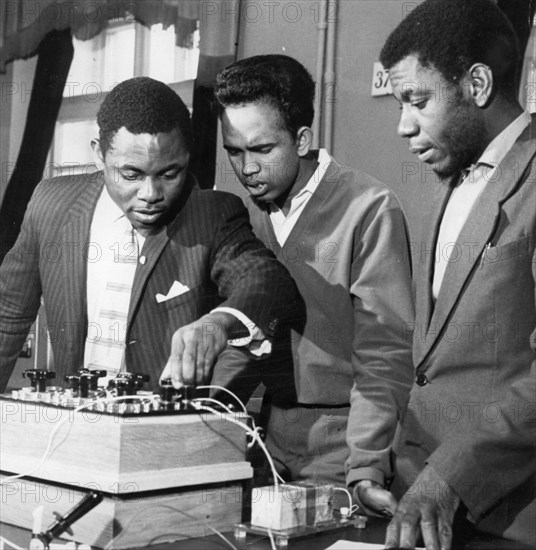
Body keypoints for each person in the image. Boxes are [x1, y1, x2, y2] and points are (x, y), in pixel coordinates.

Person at [0, 76, 301, 394]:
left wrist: (220, 322)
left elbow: (266, 279)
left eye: (170, 173)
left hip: (162, 433)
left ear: (186, 156)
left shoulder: (211, 214)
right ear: (99, 154)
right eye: (131, 174)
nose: (151, 194)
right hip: (71, 428)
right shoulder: (52, 203)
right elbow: (8, 313)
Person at [215, 55, 414, 494]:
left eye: (262, 149)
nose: (246, 168)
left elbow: (383, 354)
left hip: (342, 442)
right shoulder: (239, 214)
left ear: (302, 139)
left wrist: (365, 466)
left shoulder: (369, 208)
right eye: (234, 151)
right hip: (256, 439)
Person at [378, 0, 536, 548]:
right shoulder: (451, 182)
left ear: (477, 83)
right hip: (423, 507)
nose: (403, 125)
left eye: (417, 101)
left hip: (507, 518)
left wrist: (450, 478)